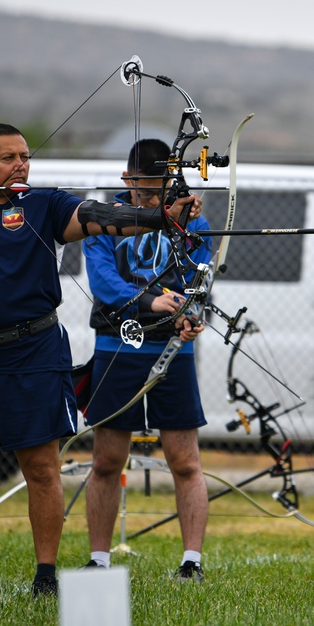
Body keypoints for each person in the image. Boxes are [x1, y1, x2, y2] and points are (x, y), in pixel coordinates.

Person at [0, 123, 201, 598]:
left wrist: (158, 218)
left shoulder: (44, 203)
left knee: (42, 468)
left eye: (25, 156)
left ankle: (45, 578)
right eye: (8, 157)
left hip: (32, 351)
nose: (21, 164)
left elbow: (95, 217)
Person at [81, 139, 211, 583]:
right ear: (127, 181)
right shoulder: (102, 220)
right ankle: (99, 561)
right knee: (106, 460)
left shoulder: (192, 221)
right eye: (143, 192)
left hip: (174, 351)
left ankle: (191, 562)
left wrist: (193, 315)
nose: (153, 200)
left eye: (160, 191)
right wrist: (156, 302)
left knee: (185, 461)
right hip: (118, 348)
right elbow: (105, 284)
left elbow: (199, 282)